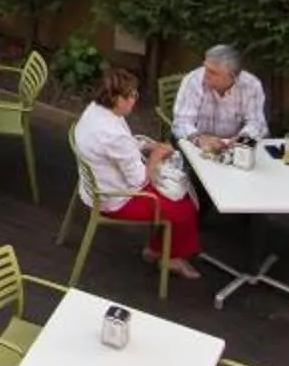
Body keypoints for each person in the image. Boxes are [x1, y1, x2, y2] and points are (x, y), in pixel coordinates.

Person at [74, 63, 203, 279]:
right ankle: (167, 257)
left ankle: (156, 249)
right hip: (114, 199)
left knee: (178, 198)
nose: (136, 98)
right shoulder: (113, 134)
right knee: (184, 208)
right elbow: (139, 179)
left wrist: (147, 146)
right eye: (132, 95)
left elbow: (119, 148)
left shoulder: (96, 110)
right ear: (117, 99)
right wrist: (156, 155)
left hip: (93, 185)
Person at [173, 45, 268, 153]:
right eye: (205, 68)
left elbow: (257, 123)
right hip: (198, 148)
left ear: (232, 76)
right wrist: (198, 139)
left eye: (212, 72)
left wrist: (242, 140)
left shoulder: (251, 85)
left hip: (234, 149)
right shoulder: (193, 81)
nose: (205, 75)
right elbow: (181, 122)